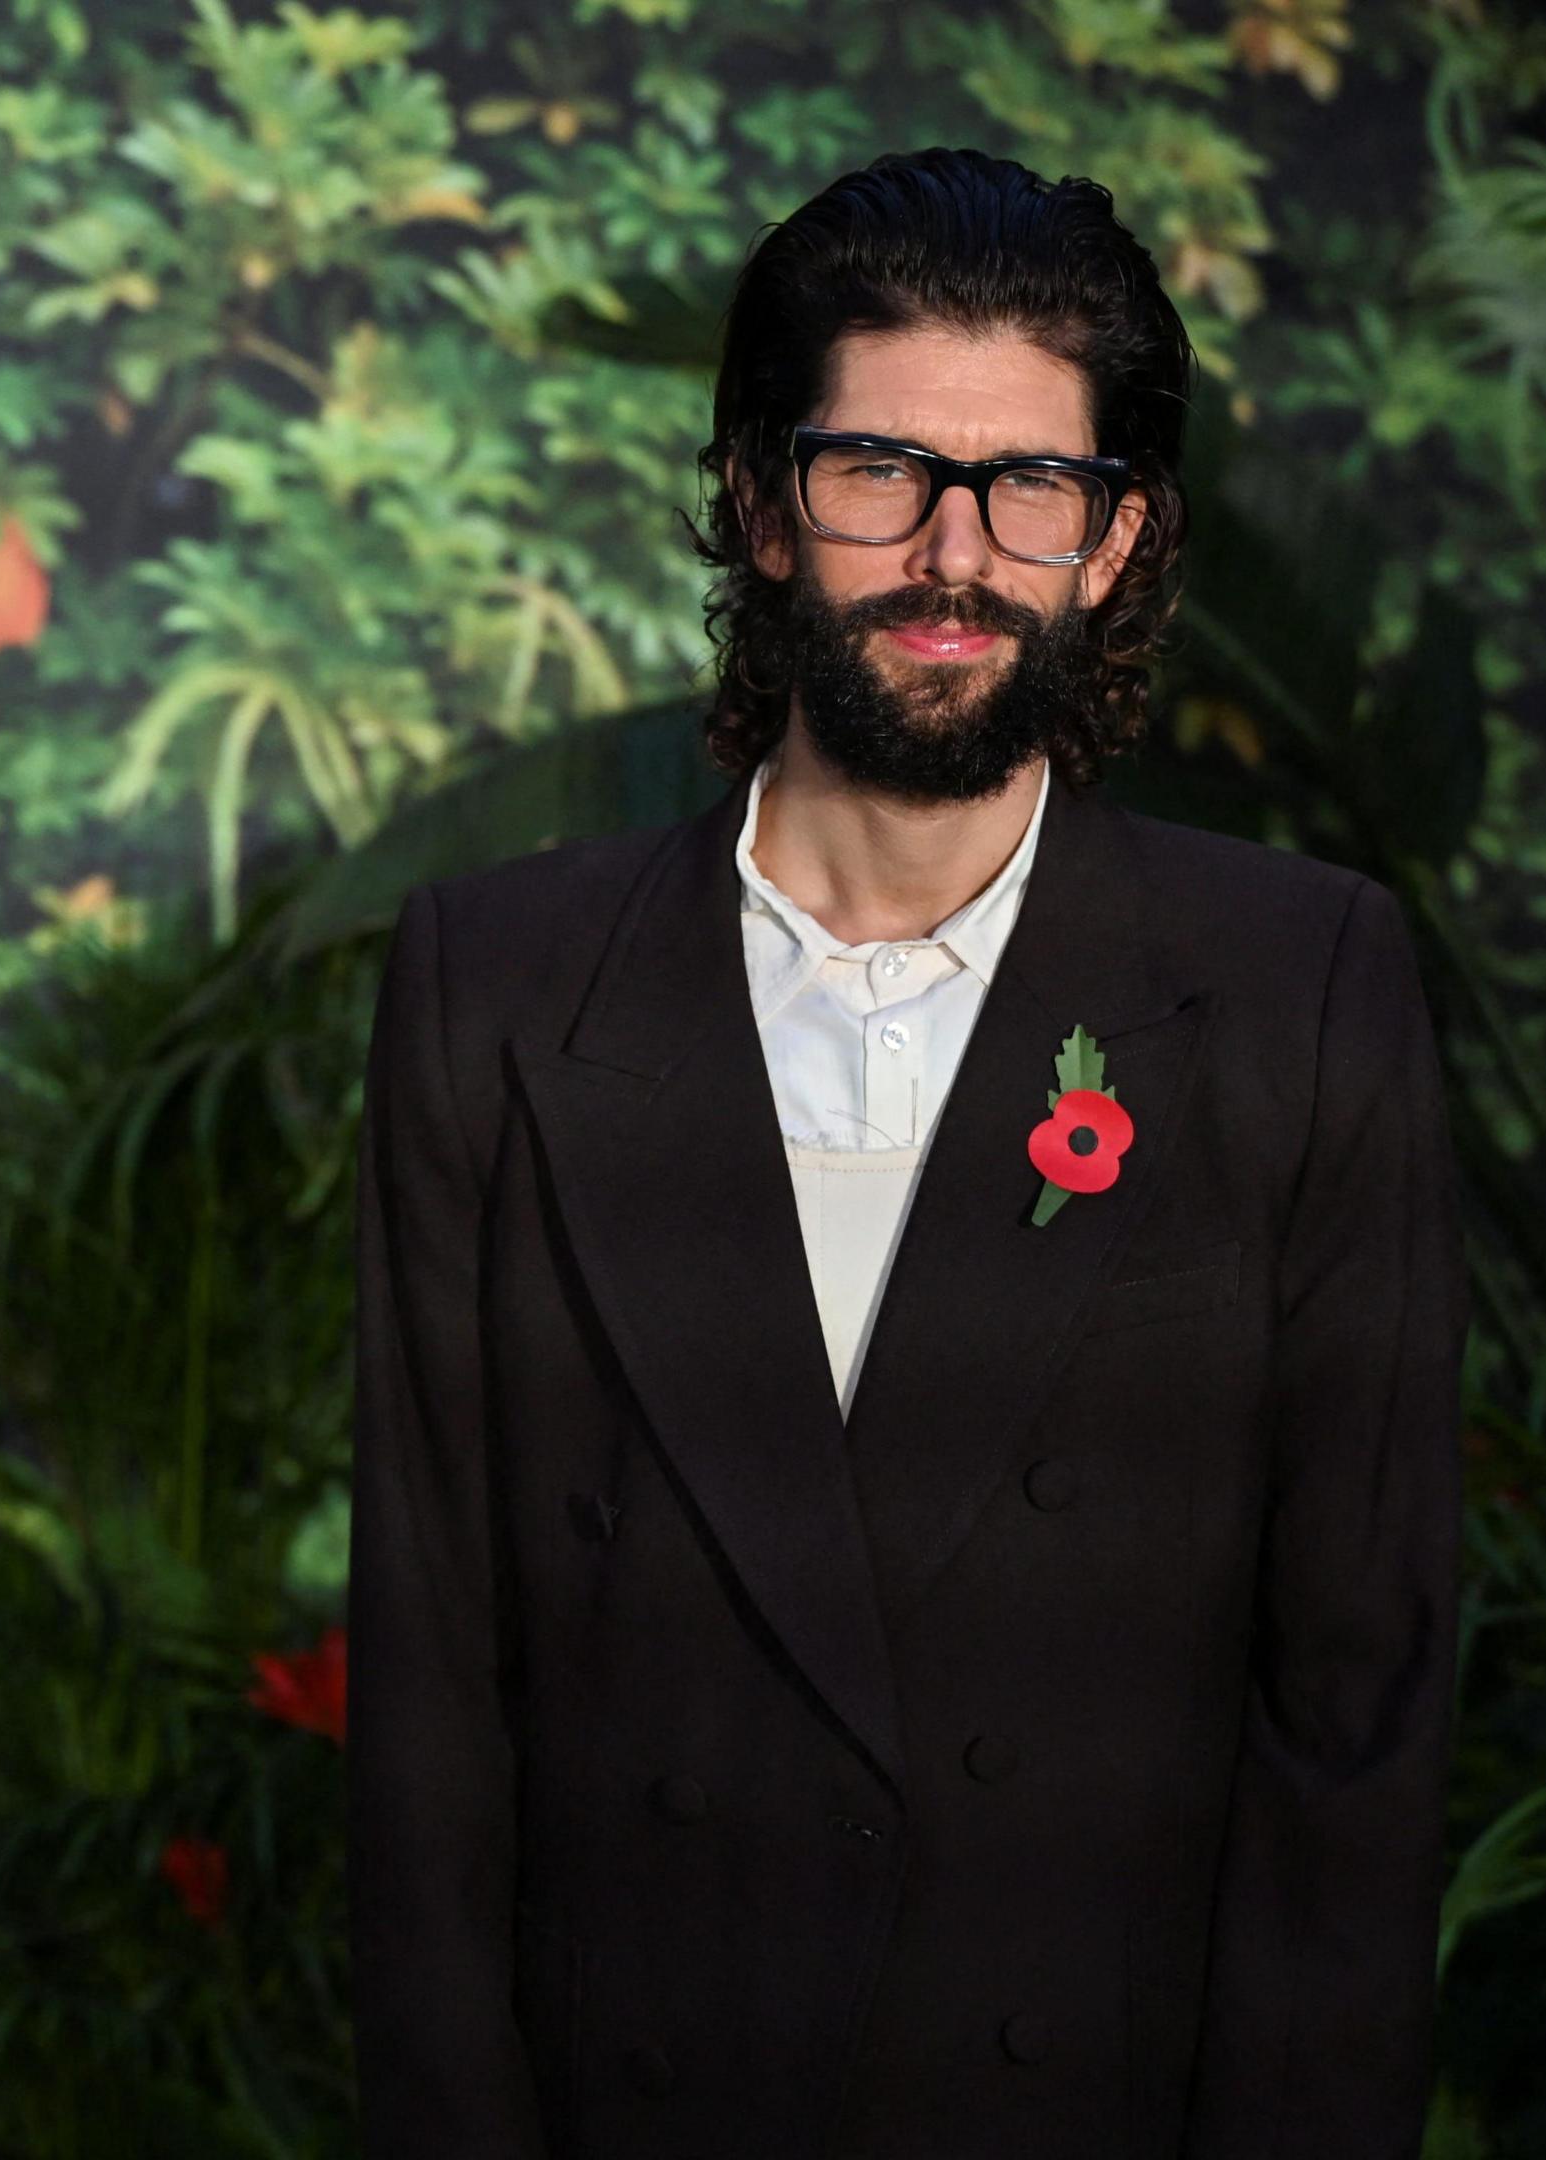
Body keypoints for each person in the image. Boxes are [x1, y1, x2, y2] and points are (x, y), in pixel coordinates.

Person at [347, 144, 1463, 2160]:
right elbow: (430, 1723)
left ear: (1117, 542)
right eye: (883, 475)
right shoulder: (495, 991)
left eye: (1035, 485)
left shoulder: (1299, 990)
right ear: (766, 507)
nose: (957, 556)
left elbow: (1353, 1740)